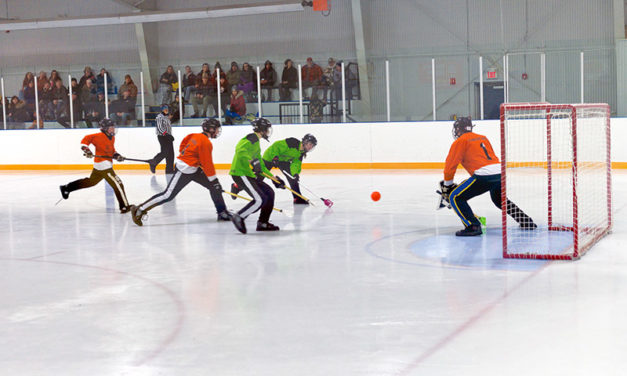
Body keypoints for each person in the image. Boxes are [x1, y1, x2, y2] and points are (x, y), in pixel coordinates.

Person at [439, 117, 537, 236]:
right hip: (499, 173)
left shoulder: (460, 141)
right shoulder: (483, 138)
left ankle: (473, 226)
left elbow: (450, 166)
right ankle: (526, 221)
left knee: (455, 197)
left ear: (459, 129)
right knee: (500, 200)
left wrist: (447, 186)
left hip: (484, 176)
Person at [130, 118, 232, 226]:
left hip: (193, 168)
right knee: (168, 195)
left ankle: (222, 212)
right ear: (211, 129)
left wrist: (192, 159)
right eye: (216, 129)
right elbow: (207, 164)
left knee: (213, 186)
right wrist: (214, 180)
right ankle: (139, 209)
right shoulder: (206, 143)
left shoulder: (193, 135)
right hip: (184, 170)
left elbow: (183, 146)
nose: (218, 131)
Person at [59, 118, 131, 213]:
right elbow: (85, 141)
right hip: (104, 165)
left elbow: (111, 151)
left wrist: (117, 156)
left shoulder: (112, 137)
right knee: (118, 184)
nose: (113, 129)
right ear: (105, 128)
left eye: (114, 127)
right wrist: (87, 150)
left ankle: (66, 188)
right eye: (111, 127)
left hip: (100, 165)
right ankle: (124, 206)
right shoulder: (98, 136)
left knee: (91, 182)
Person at [229, 118, 286, 234]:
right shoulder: (252, 138)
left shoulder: (257, 144)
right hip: (240, 174)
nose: (268, 132)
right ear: (262, 129)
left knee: (269, 193)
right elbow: (239, 151)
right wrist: (251, 161)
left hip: (248, 175)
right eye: (267, 129)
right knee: (259, 200)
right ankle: (239, 216)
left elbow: (261, 166)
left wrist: (274, 179)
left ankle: (263, 223)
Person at [260, 133, 317, 204]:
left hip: (283, 161)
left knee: (293, 179)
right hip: (270, 156)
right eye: (310, 144)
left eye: (312, 146)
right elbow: (276, 146)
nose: (310, 147)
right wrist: (275, 157)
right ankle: (246, 187)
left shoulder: (301, 153)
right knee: (260, 175)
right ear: (305, 142)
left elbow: (296, 164)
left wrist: (295, 174)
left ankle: (297, 198)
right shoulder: (292, 142)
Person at [149, 104, 175, 174]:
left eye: (167, 109)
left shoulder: (166, 117)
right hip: (163, 137)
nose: (166, 110)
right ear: (162, 110)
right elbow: (160, 128)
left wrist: (169, 135)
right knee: (164, 152)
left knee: (170, 153)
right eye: (165, 109)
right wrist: (166, 134)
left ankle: (169, 169)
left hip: (168, 136)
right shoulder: (159, 117)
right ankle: (153, 162)